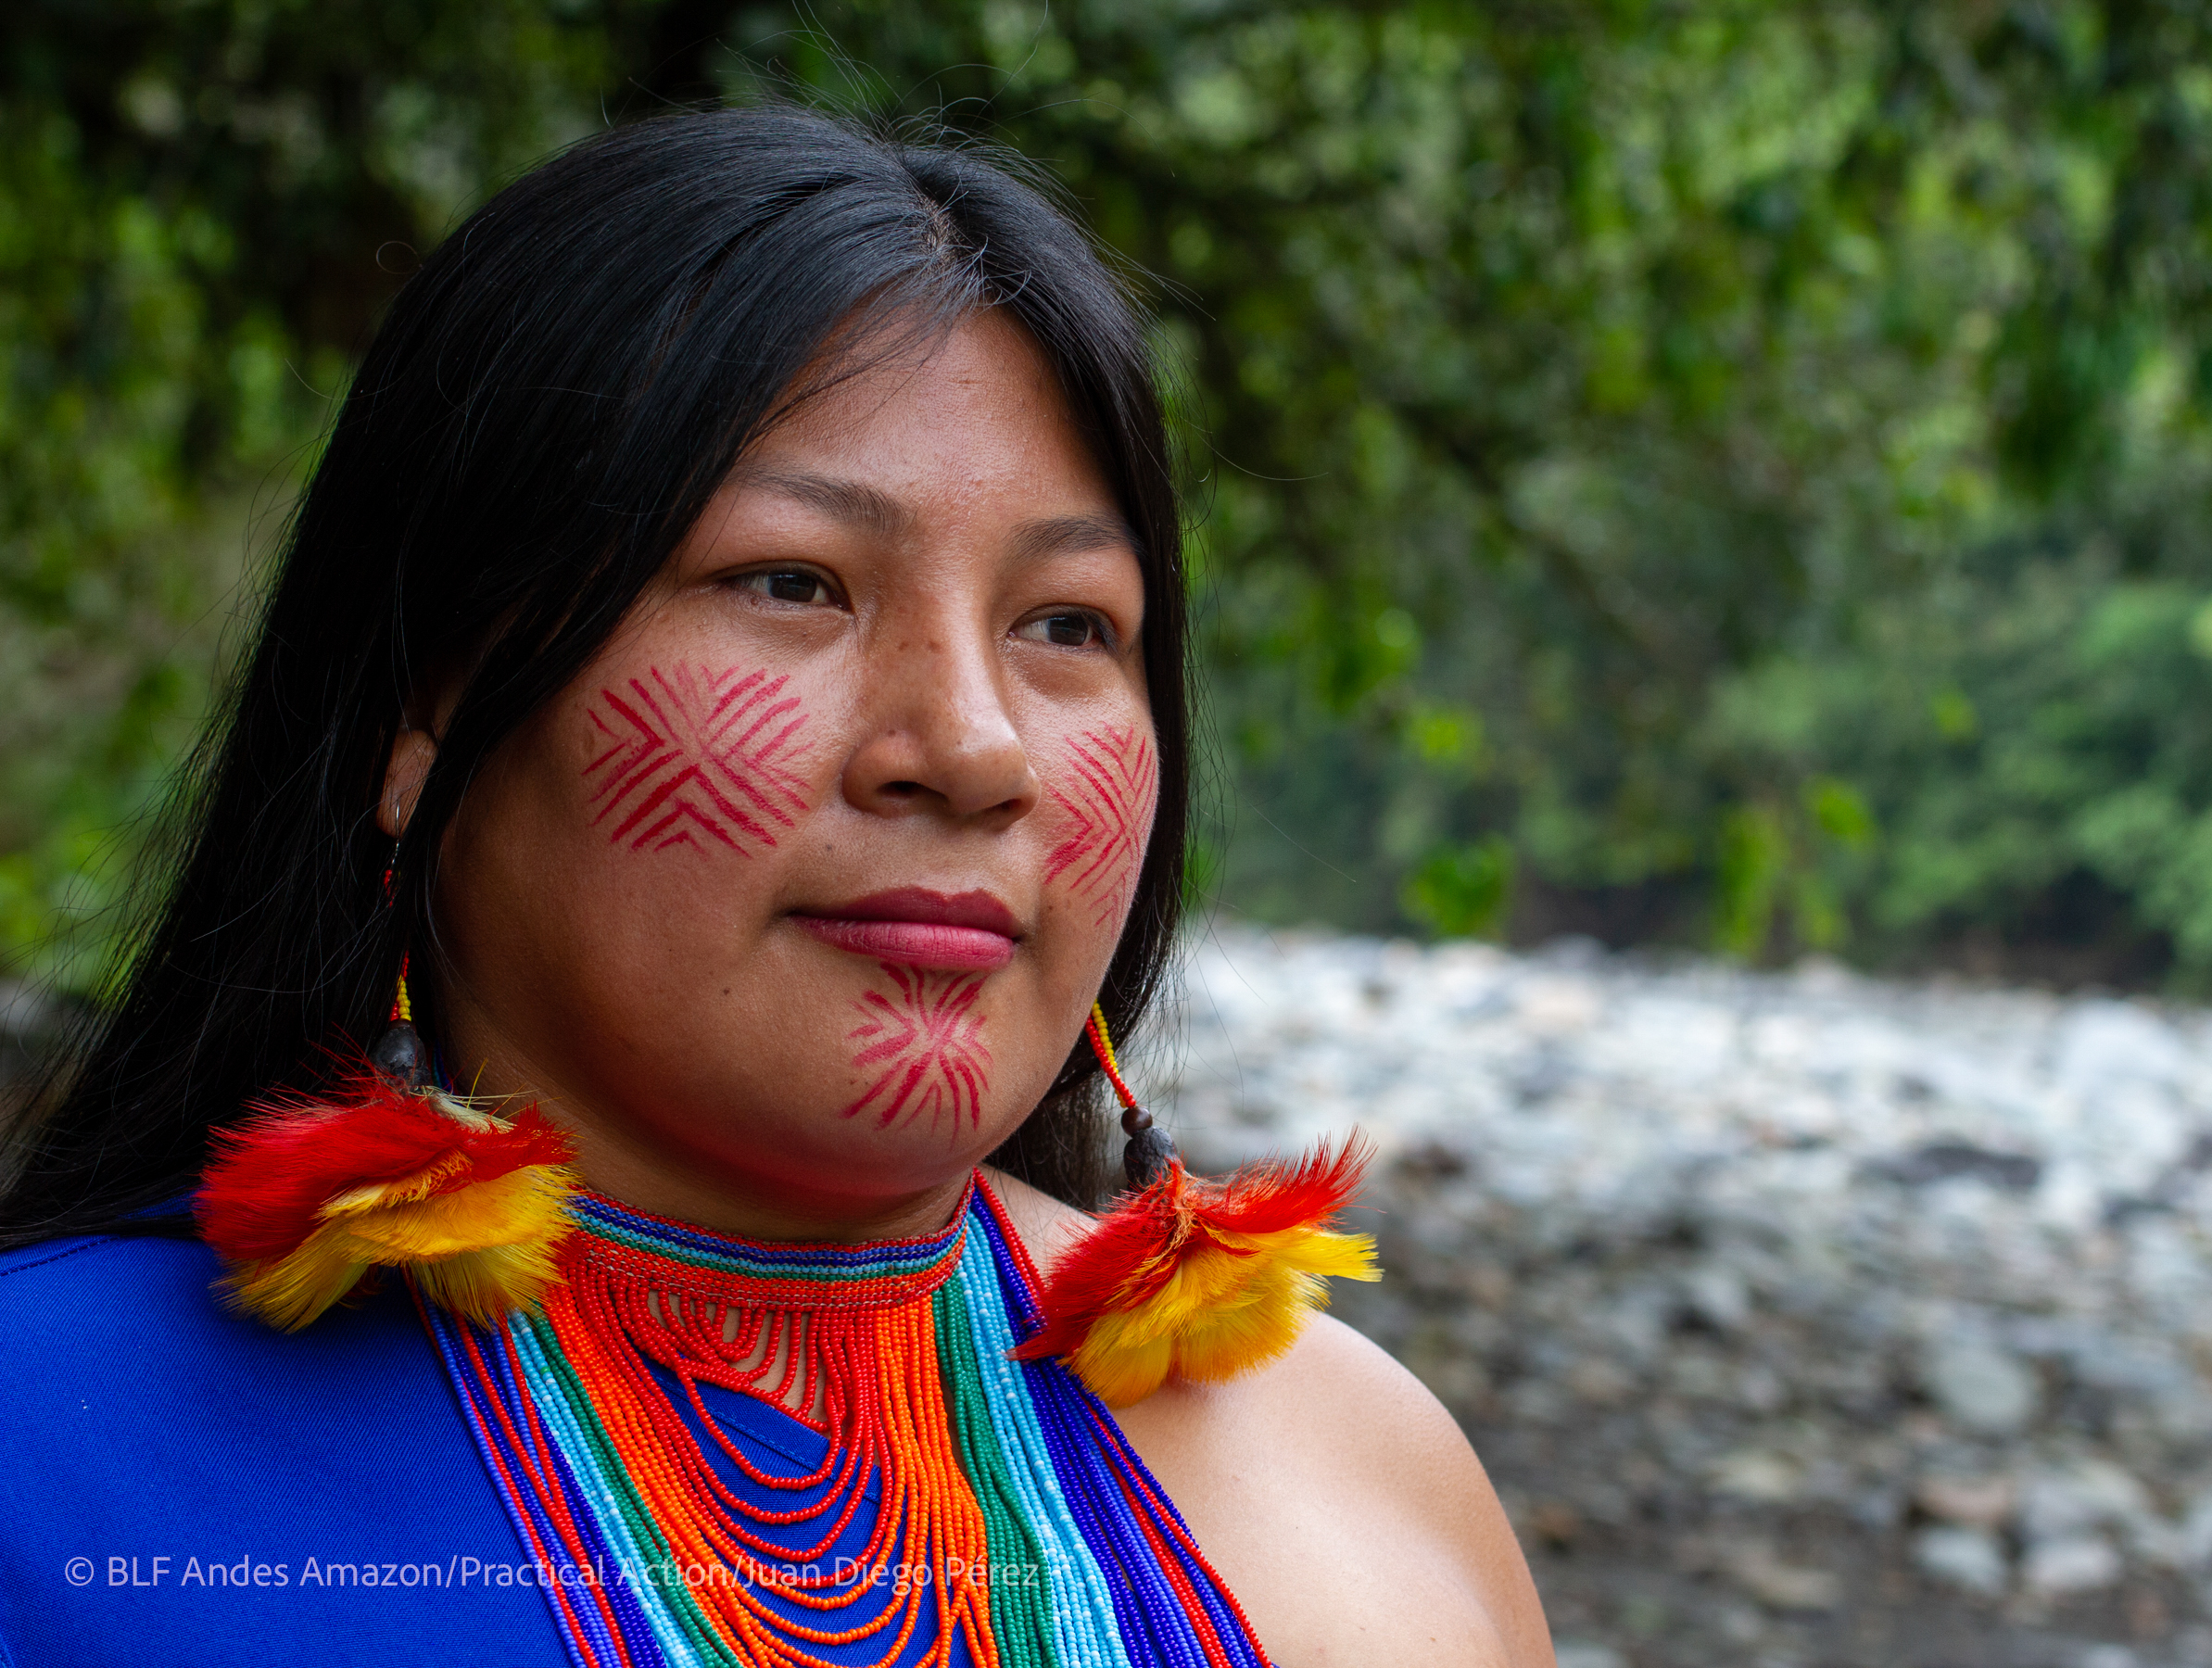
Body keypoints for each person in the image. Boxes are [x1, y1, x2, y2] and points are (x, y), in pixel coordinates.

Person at [0, 107, 1552, 1667]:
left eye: (1071, 623)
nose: (969, 746)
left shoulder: (1364, 1494)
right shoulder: (50, 1469)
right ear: (427, 704)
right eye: (790, 582)